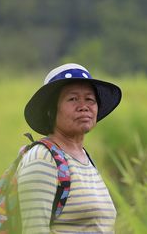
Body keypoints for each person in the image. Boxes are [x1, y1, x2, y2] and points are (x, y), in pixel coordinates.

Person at [17, 63, 122, 233]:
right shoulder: (42, 159)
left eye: (90, 99)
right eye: (73, 99)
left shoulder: (85, 160)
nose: (83, 106)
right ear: (51, 111)